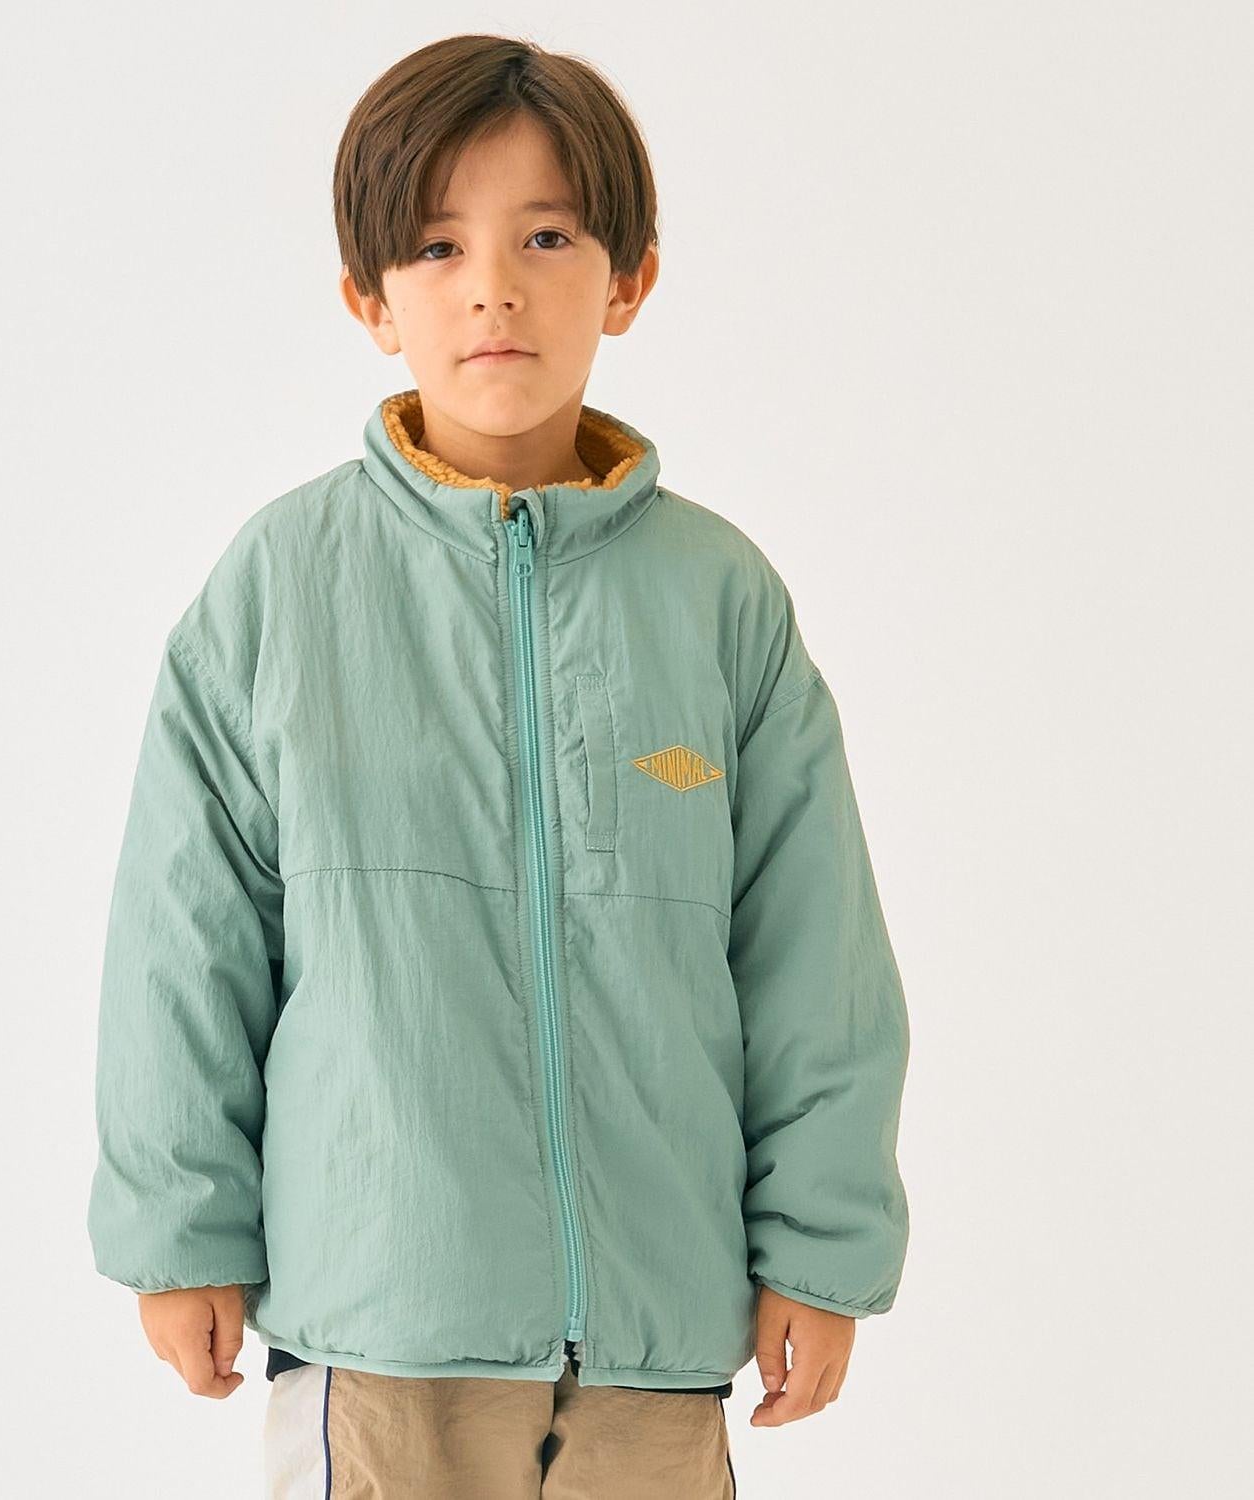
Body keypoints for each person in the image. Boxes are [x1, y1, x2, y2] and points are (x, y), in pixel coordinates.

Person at [87, 32, 911, 1500]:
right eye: (436, 246)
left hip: (656, 1333)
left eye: (546, 237)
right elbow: (184, 934)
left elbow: (816, 954)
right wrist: (179, 1231)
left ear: (629, 278)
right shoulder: (283, 587)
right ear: (370, 297)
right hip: (381, 1325)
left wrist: (821, 1248)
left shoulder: (719, 599)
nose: (493, 287)